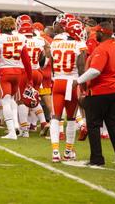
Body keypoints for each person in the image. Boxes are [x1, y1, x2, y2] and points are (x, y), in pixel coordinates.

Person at [74, 22, 115, 168]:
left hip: (101, 91)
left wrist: (78, 81)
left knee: (93, 125)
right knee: (114, 124)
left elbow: (95, 70)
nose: (95, 34)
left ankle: (97, 158)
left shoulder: (102, 49)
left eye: (97, 32)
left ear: (103, 33)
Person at [0, 16, 32, 140]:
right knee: (12, 99)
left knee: (5, 101)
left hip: (5, 73)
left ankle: (12, 131)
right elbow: (27, 60)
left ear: (1, 26)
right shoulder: (20, 38)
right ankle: (16, 125)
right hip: (18, 73)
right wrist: (30, 78)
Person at [48, 19, 87, 162]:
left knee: (55, 117)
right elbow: (82, 67)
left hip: (58, 81)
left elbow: (52, 64)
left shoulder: (55, 42)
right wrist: (84, 86)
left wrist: (55, 77)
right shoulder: (79, 44)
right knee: (71, 118)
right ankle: (68, 151)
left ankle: (55, 152)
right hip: (73, 82)